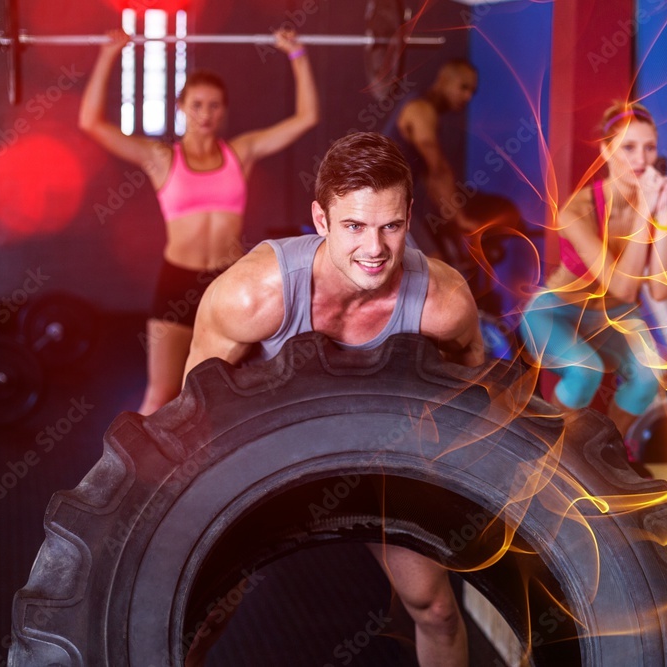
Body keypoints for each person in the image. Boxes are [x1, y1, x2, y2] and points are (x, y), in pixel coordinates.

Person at [183, 132, 483, 666]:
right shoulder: (253, 294)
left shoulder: (442, 301)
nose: (375, 249)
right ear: (320, 220)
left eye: (391, 226)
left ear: (410, 215)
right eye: (354, 226)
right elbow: (190, 416)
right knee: (199, 607)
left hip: (375, 455)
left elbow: (473, 389)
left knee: (435, 608)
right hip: (265, 454)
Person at [79, 27, 318, 415]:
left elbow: (307, 117)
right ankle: (133, 478)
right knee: (160, 396)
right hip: (177, 282)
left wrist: (296, 54)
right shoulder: (161, 158)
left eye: (214, 106)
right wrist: (109, 54)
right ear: (181, 107)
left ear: (224, 111)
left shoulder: (240, 153)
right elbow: (91, 123)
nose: (205, 114)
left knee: (226, 400)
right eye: (197, 105)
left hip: (227, 280)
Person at [518, 102, 667, 451]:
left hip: (614, 318)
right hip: (555, 313)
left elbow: (659, 291)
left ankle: (606, 452)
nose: (641, 159)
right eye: (628, 147)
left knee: (649, 376)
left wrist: (661, 219)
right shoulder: (578, 210)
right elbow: (624, 288)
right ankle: (551, 456)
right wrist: (643, 214)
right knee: (585, 371)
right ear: (606, 150)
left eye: (649, 147)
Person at [382, 58, 479, 260]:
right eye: (463, 87)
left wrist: (453, 217)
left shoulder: (426, 111)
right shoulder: (421, 110)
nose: (467, 96)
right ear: (443, 79)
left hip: (392, 204)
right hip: (386, 206)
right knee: (435, 270)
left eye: (472, 91)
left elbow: (432, 178)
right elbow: (439, 169)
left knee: (432, 269)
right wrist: (460, 219)